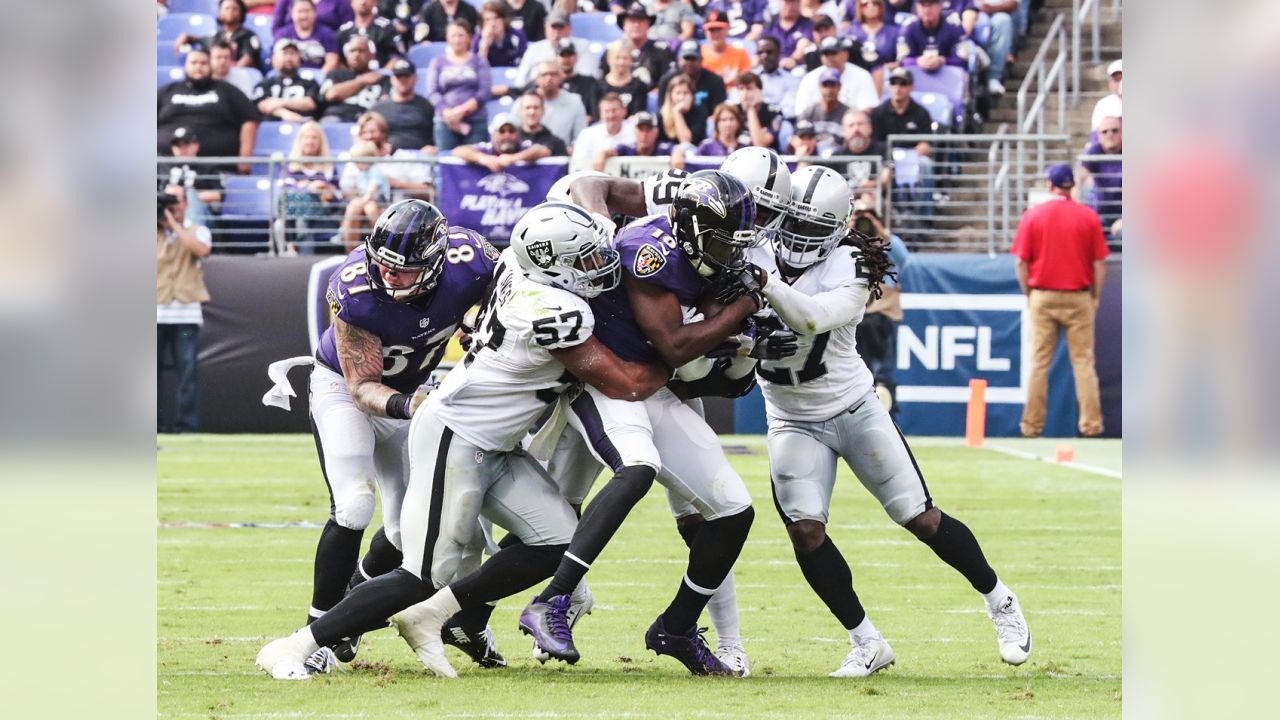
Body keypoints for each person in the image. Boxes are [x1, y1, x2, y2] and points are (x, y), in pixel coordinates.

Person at [256, 202, 669, 681]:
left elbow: (504, 281)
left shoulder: (483, 261)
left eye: (407, 270)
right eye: (583, 261)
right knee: (413, 559)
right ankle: (299, 643)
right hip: (438, 423)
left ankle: (431, 618)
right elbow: (625, 381)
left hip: (483, 434)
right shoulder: (551, 309)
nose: (393, 278)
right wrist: (675, 357)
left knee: (556, 538)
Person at [720, 164, 1031, 676]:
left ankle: (1000, 599)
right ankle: (866, 642)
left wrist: (765, 286)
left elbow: (811, 318)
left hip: (853, 408)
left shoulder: (852, 263)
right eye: (792, 225)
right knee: (805, 532)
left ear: (840, 227)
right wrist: (747, 340)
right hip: (790, 416)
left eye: (812, 229)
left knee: (919, 517)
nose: (798, 238)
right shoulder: (754, 249)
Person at [512, 172, 767, 677]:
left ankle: (676, 626)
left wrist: (746, 335)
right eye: (722, 240)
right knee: (632, 470)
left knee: (734, 511)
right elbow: (674, 345)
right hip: (609, 380)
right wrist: (745, 306)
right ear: (694, 229)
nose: (730, 252)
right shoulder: (648, 251)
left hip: (652, 384)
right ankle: (553, 601)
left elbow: (702, 356)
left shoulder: (699, 253)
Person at [259, 199, 500, 672]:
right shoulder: (355, 288)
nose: (389, 277)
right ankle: (320, 628)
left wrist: (476, 322)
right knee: (353, 506)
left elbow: (499, 298)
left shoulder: (472, 260)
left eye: (404, 270)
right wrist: (415, 406)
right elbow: (363, 387)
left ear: (434, 262)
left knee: (404, 529)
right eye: (384, 265)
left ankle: (353, 603)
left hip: (411, 396)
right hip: (347, 391)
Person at [1010, 164, 1108, 438]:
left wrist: (1031, 294)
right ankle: (1091, 426)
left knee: (1039, 362)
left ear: (1049, 185)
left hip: (1043, 293)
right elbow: (1099, 264)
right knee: (1084, 363)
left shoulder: (1034, 215)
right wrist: (1095, 296)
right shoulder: (1088, 217)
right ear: (1071, 185)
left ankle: (1031, 426)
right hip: (1079, 296)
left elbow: (1021, 263)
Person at [157, 184, 212, 435]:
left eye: (176, 201)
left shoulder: (197, 230)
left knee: (187, 372)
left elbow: (200, 250)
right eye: (168, 201)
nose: (173, 205)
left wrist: (173, 223)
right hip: (155, 310)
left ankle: (186, 425)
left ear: (185, 203)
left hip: (186, 311)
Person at [157, 45, 260, 175]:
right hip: (164, 170)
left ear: (210, 66)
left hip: (217, 170)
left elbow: (250, 119)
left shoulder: (227, 90)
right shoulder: (166, 91)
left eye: (203, 63)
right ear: (185, 66)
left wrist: (245, 158)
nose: (198, 67)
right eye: (193, 63)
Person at [849, 194, 909, 416]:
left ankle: (888, 417)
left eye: (870, 217)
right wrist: (851, 228)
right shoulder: (849, 244)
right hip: (857, 316)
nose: (865, 222)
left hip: (885, 315)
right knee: (858, 369)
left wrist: (881, 231)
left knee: (885, 370)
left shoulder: (888, 246)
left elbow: (904, 259)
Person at [425, 19, 491, 150]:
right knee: (447, 161)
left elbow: (484, 91)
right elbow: (433, 91)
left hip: (475, 120)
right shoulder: (437, 62)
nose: (457, 40)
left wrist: (462, 111)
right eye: (453, 36)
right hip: (445, 121)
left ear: (469, 38)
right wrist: (447, 112)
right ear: (447, 39)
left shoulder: (479, 61)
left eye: (461, 35)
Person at [278, 121, 341, 252]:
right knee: (281, 223)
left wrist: (324, 188)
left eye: (314, 138)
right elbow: (284, 190)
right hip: (292, 214)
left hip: (320, 212)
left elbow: (338, 196)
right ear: (300, 140)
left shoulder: (329, 167)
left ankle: (294, 248)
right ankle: (293, 248)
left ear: (320, 142)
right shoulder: (290, 166)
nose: (310, 141)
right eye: (306, 137)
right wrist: (307, 187)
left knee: (303, 219)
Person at [794, 35, 879, 116]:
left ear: (845, 55)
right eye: (826, 54)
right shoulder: (810, 78)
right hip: (817, 126)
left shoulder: (862, 76)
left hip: (851, 126)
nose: (830, 58)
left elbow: (868, 109)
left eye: (833, 53)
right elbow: (801, 112)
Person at [597, 3, 675, 88]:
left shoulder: (661, 50)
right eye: (632, 20)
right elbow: (601, 81)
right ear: (624, 24)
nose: (636, 25)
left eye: (640, 20)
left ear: (648, 24)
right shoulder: (612, 51)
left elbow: (669, 81)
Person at [512, 11, 596, 88]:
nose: (556, 32)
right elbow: (520, 80)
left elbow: (589, 77)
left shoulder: (582, 46)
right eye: (553, 27)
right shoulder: (535, 48)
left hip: (574, 90)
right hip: (539, 92)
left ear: (570, 28)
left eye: (560, 27)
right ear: (546, 28)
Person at [174, 0, 265, 71]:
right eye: (226, 8)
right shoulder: (218, 35)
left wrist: (228, 71)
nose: (230, 11)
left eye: (234, 9)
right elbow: (202, 40)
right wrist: (186, 37)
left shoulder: (248, 35)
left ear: (241, 12)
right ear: (220, 12)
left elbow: (248, 58)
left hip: (239, 75)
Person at [162, 127, 224, 230]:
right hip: (168, 211)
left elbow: (218, 194)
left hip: (200, 213)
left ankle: (191, 239)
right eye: (177, 145)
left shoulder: (207, 167)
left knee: (190, 196)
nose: (182, 149)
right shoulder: (163, 166)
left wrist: (186, 196)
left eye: (186, 144)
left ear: (196, 145)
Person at [320, 36, 391, 123]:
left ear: (371, 55)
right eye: (352, 51)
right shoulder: (336, 74)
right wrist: (361, 81)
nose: (356, 55)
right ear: (346, 55)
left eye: (361, 51)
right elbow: (331, 95)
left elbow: (386, 104)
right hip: (337, 116)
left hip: (368, 120)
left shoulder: (382, 79)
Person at [369, 59, 436, 151]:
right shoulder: (378, 108)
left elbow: (436, 134)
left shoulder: (427, 106)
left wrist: (433, 148)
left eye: (407, 76)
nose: (403, 80)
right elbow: (365, 135)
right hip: (387, 159)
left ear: (415, 77)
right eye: (399, 76)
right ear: (392, 79)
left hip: (421, 159)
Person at [452, 112, 553, 172]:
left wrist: (513, 158)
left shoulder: (523, 146)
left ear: (518, 133)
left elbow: (544, 150)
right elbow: (458, 151)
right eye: (502, 131)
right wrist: (483, 158)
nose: (507, 135)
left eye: (511, 131)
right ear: (493, 134)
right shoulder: (487, 148)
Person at [338, 140, 392, 250]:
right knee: (355, 206)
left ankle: (379, 246)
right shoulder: (361, 172)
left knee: (370, 209)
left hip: (379, 201)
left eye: (358, 161)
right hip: (367, 199)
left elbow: (373, 188)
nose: (356, 165)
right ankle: (350, 250)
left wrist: (363, 200)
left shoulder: (375, 170)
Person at [253, 39, 324, 121]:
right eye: (285, 53)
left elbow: (311, 104)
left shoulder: (310, 82)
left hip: (303, 126)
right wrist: (285, 114)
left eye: (293, 53)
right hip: (272, 127)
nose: (289, 58)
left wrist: (280, 102)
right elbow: (262, 105)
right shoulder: (265, 83)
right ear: (274, 58)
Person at [658, 40, 729, 118]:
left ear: (701, 60)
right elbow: (662, 110)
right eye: (686, 58)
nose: (689, 63)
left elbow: (719, 113)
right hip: (672, 122)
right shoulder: (667, 80)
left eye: (693, 58)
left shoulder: (715, 81)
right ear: (679, 60)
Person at [1080, 115, 1123, 242]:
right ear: (1098, 136)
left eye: (1115, 130)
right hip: (1100, 213)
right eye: (1105, 131)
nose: (1110, 134)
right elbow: (1079, 180)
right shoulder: (1094, 151)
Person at [843, 0, 902, 89]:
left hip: (887, 78)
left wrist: (885, 68)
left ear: (881, 6)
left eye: (875, 3)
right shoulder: (851, 32)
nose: (870, 6)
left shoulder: (894, 32)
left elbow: (901, 60)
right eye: (865, 4)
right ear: (860, 8)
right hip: (857, 78)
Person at [897, 0, 968, 73]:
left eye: (931, 4)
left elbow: (963, 59)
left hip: (948, 75)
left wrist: (943, 61)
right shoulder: (909, 27)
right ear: (917, 7)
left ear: (940, 6)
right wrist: (917, 61)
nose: (927, 9)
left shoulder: (953, 26)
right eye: (923, 4)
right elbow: (902, 60)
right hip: (915, 76)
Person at [570, 95, 635, 173]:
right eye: (607, 111)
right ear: (600, 114)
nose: (611, 115)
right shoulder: (587, 134)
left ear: (624, 111)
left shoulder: (635, 131)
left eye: (614, 110)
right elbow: (579, 163)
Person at [532, 61, 588, 150]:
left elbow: (581, 136)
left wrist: (574, 148)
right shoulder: (525, 102)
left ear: (561, 77)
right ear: (537, 79)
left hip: (563, 156)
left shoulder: (574, 101)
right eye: (544, 75)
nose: (549, 78)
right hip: (530, 158)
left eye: (553, 74)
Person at [274, 0, 341, 72]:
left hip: (318, 76)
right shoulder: (283, 34)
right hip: (290, 76)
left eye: (307, 11)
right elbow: (276, 60)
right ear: (292, 13)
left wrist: (318, 78)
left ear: (315, 12)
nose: (304, 16)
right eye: (300, 11)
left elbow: (332, 61)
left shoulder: (327, 33)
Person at [337, 0, 405, 68]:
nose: (363, 2)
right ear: (351, 2)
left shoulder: (386, 28)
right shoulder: (343, 32)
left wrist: (381, 75)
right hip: (350, 76)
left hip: (381, 74)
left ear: (375, 2)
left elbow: (396, 57)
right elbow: (338, 60)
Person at [595, 111, 674, 170]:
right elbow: (612, 151)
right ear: (634, 131)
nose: (644, 135)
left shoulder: (663, 148)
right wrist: (602, 154)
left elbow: (677, 150)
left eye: (648, 130)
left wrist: (678, 153)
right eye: (641, 129)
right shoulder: (627, 148)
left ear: (656, 132)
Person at [972, 0, 1018, 95]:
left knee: (1003, 20)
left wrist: (991, 9)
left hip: (993, 15)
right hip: (970, 15)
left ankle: (994, 78)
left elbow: (1013, 4)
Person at [797, 67, 849, 148]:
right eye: (825, 85)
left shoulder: (848, 114)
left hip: (839, 156)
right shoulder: (809, 112)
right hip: (813, 155)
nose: (829, 90)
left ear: (839, 87)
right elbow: (798, 138)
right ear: (819, 87)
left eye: (833, 85)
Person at [700, 10, 752, 90]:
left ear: (728, 29)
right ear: (705, 32)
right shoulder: (699, 54)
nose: (716, 34)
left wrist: (737, 79)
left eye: (719, 29)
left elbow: (748, 82)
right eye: (712, 30)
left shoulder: (740, 53)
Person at [597, 41, 651, 117]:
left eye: (625, 58)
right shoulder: (597, 86)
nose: (621, 62)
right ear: (609, 60)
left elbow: (638, 114)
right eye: (617, 58)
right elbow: (596, 115)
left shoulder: (640, 86)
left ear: (631, 60)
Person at [553, 39, 601, 124]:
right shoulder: (551, 83)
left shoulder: (589, 83)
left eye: (569, 55)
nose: (566, 59)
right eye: (563, 55)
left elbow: (594, 114)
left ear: (575, 58)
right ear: (556, 58)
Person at [751, 36, 800, 117]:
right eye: (760, 52)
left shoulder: (791, 80)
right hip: (753, 118)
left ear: (778, 53)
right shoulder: (751, 77)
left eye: (769, 52)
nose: (764, 56)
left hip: (779, 120)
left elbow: (789, 110)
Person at [733, 72, 783, 150]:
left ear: (759, 90)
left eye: (749, 88)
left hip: (766, 156)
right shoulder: (733, 111)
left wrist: (751, 109)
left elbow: (760, 145)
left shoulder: (773, 111)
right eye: (741, 89)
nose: (745, 93)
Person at [761, 0, 816, 70]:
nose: (790, 6)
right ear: (779, 3)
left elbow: (805, 44)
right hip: (771, 66)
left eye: (793, 2)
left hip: (797, 67)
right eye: (787, 2)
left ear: (799, 3)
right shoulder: (770, 23)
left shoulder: (808, 24)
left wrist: (793, 59)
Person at [472, 1, 527, 68]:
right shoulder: (478, 38)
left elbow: (524, 62)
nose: (493, 23)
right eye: (487, 19)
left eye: (496, 18)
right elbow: (476, 68)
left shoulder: (517, 35)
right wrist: (484, 45)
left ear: (504, 19)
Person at [658, 74, 708, 146]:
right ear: (670, 95)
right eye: (678, 93)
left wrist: (677, 113)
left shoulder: (700, 112)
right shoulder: (661, 115)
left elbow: (686, 143)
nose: (681, 97)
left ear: (692, 95)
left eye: (686, 93)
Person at [515, 91, 569, 157]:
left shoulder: (556, 143)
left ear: (543, 110)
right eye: (528, 107)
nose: (532, 112)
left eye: (536, 107)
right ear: (520, 111)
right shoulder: (510, 139)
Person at [412, 0, 479, 43]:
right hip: (435, 50)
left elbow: (473, 35)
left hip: (462, 49)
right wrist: (425, 43)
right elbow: (421, 35)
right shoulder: (428, 10)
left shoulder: (469, 10)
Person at [273, 0, 355, 34]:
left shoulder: (340, 1)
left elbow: (347, 28)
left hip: (329, 46)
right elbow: (277, 28)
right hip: (291, 45)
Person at [702, 0, 767, 40]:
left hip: (749, 44)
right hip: (723, 46)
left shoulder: (755, 2)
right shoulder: (715, 5)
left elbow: (757, 29)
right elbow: (710, 32)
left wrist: (744, 44)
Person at [1091, 58, 1122, 132]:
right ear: (1110, 82)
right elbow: (1096, 134)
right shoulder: (1103, 105)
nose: (1121, 83)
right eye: (1117, 79)